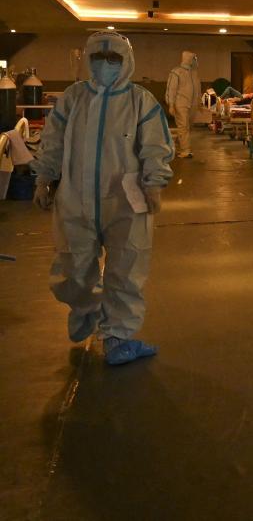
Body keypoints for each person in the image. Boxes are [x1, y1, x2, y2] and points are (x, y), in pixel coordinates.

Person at [32, 31, 174, 366]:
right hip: (74, 196)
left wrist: (154, 183)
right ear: (87, 60)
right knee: (74, 269)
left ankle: (119, 337)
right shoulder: (72, 98)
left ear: (127, 62)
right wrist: (44, 179)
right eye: (98, 58)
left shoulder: (141, 101)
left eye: (114, 59)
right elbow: (52, 140)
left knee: (127, 269)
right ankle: (86, 309)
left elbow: (155, 146)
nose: (106, 65)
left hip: (127, 197)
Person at [165, 50, 200, 159]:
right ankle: (185, 150)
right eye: (193, 59)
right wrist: (171, 104)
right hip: (181, 103)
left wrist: (199, 102)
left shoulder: (194, 73)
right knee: (183, 126)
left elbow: (197, 89)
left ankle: (181, 146)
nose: (195, 61)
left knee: (188, 127)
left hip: (192, 104)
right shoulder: (176, 72)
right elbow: (171, 89)